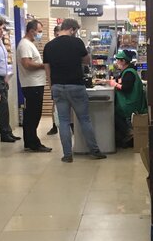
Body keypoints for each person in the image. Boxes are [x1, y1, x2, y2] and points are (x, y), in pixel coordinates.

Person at [42, 18, 107, 163]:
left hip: (57, 86)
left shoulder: (49, 46)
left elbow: (47, 69)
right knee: (84, 119)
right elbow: (87, 60)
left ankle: (67, 155)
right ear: (71, 29)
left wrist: (52, 86)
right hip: (76, 86)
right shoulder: (77, 42)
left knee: (63, 121)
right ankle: (94, 151)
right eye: (75, 31)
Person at [17, 18, 51, 153]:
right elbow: (27, 64)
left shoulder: (29, 44)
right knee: (34, 114)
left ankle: (29, 141)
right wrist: (44, 65)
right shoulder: (25, 45)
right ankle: (34, 143)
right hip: (32, 85)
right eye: (39, 31)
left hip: (34, 84)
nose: (40, 34)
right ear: (31, 31)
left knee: (31, 114)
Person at [111, 49, 147, 148]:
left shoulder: (129, 73)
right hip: (130, 102)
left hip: (129, 104)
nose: (117, 62)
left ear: (123, 61)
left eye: (118, 60)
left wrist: (114, 84)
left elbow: (125, 88)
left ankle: (129, 132)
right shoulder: (127, 71)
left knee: (112, 113)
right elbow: (121, 81)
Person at [46, 25, 61, 136]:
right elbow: (47, 66)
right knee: (55, 103)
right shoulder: (50, 46)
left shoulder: (65, 45)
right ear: (55, 33)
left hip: (63, 79)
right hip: (55, 79)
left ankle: (71, 125)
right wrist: (50, 82)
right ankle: (54, 125)